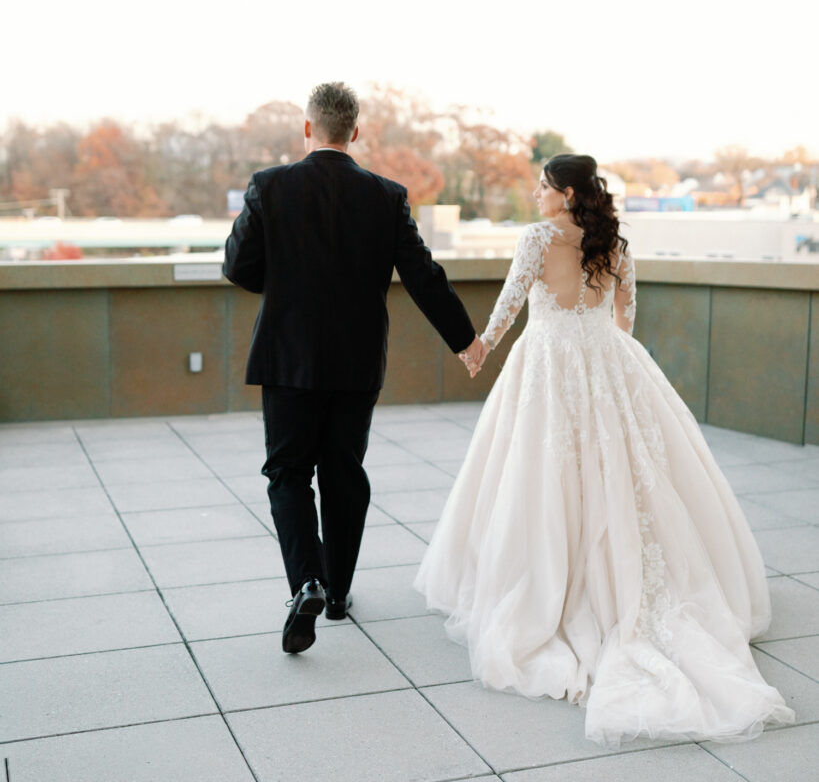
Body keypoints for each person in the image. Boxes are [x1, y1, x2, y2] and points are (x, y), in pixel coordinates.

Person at [415, 153, 793, 744]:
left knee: (542, 477)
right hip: (606, 360)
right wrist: (606, 369)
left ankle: (557, 593)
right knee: (623, 473)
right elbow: (626, 315)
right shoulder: (614, 241)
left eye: (543, 186)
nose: (536, 193)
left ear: (566, 193)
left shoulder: (537, 239)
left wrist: (480, 347)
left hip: (546, 363)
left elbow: (512, 303)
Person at [223, 82, 485, 654]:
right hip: (356, 360)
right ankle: (337, 593)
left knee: (288, 474)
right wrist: (466, 340)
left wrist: (287, 285)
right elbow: (423, 276)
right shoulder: (386, 196)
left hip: (288, 356)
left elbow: (238, 266)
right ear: (356, 131)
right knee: (343, 472)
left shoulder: (270, 186)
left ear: (308, 127)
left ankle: (307, 582)